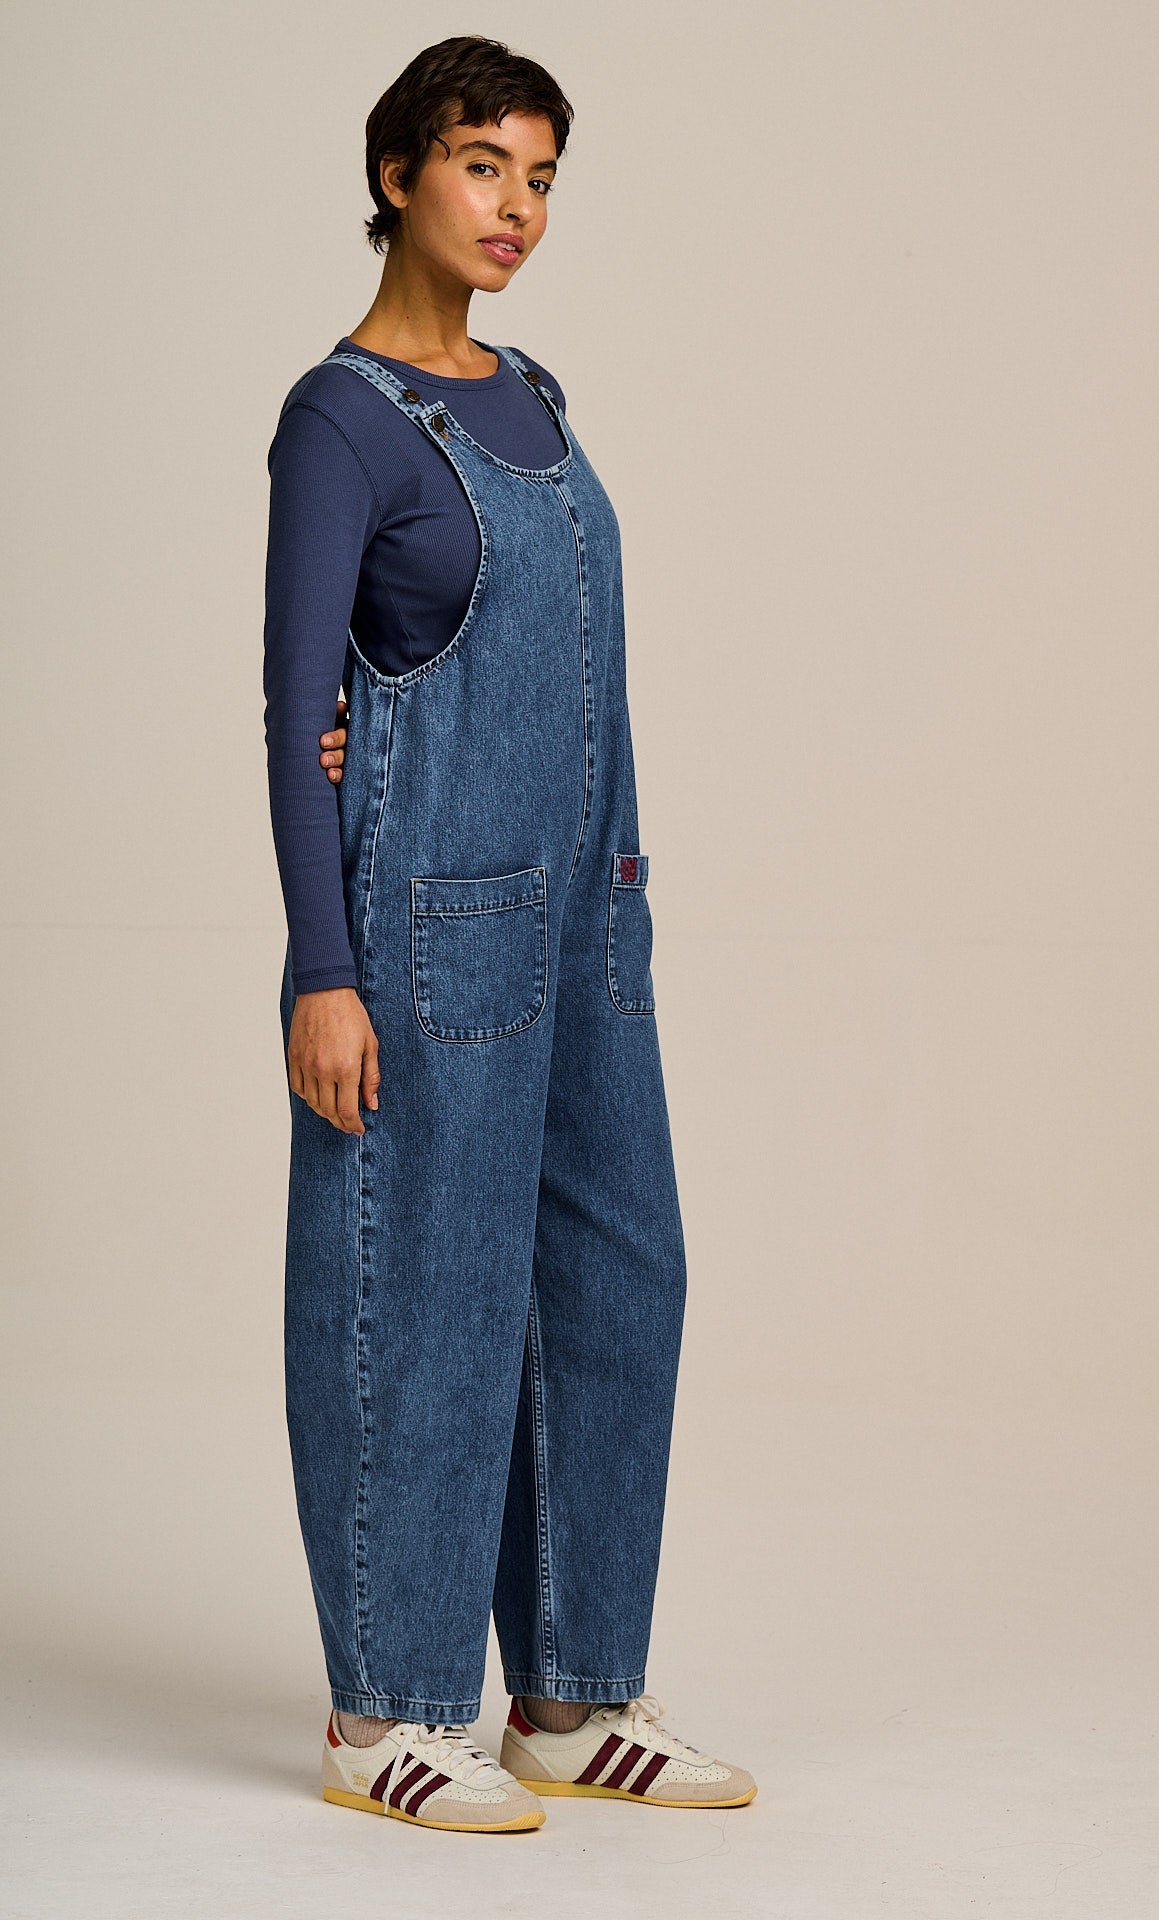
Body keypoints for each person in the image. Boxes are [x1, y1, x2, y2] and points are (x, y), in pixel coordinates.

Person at [263, 34, 755, 1834]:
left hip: (587, 929)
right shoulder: (340, 418)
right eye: (484, 165)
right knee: (427, 1298)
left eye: (542, 177)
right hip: (424, 935)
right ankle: (386, 1712)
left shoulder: (536, 393)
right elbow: (295, 706)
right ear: (400, 173)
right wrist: (324, 970)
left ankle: (570, 1695)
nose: (517, 208)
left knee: (620, 1280)